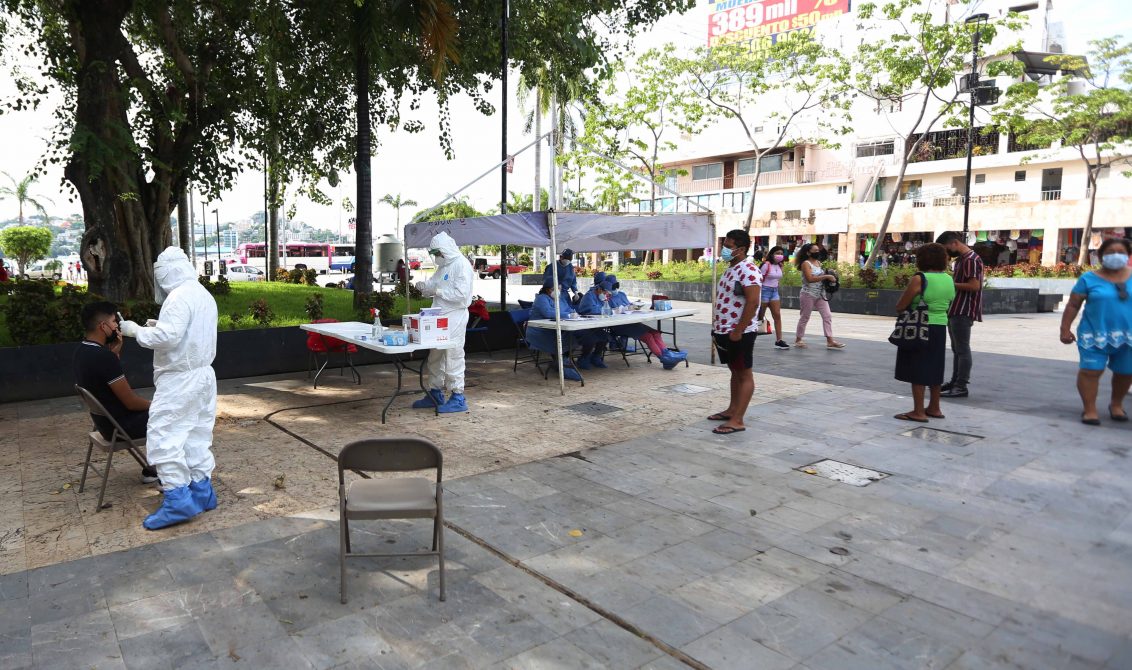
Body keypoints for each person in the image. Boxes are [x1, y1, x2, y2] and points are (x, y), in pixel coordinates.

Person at [119, 247, 218, 530]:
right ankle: (203, 492)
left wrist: (135, 330)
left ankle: (178, 502)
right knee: (196, 436)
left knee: (165, 437)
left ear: (166, 273)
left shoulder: (177, 297)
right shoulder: (202, 294)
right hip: (203, 376)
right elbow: (186, 332)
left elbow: (168, 337)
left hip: (180, 380)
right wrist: (155, 325)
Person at [73, 301, 159, 483]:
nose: (116, 326)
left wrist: (114, 355)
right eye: (113, 322)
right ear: (102, 326)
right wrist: (158, 406)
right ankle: (160, 471)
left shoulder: (81, 351)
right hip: (120, 428)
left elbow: (104, 380)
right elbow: (131, 402)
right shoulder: (103, 358)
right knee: (173, 415)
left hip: (103, 423)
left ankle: (155, 467)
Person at [1059, 238, 1132, 425]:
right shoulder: (1088, 279)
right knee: (1091, 371)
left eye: (1121, 252)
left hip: (1128, 337)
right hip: (1093, 335)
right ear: (1100, 256)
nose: (1116, 256)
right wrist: (1065, 329)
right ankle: (1089, 410)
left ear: (1128, 256)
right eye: (1110, 252)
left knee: (1126, 372)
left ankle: (1116, 405)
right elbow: (1073, 304)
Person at [892, 243, 956, 422]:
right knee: (935, 366)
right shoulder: (948, 279)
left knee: (917, 367)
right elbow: (949, 301)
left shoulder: (920, 278)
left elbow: (901, 305)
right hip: (940, 326)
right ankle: (935, 407)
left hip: (920, 327)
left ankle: (918, 411)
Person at [411, 232, 474, 413]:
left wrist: (438, 292)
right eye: (435, 253)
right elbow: (434, 283)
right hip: (438, 315)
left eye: (438, 253)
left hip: (455, 315)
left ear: (446, 250)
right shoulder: (444, 266)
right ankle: (435, 392)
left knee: (453, 354)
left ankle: (457, 396)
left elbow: (462, 295)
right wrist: (425, 288)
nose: (437, 257)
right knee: (436, 354)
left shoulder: (461, 265)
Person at [709, 229, 762, 435]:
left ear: (741, 249)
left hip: (739, 331)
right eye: (725, 245)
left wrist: (739, 330)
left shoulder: (748, 270)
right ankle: (732, 410)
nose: (724, 250)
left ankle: (738, 419)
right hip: (725, 329)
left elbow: (753, 301)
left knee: (744, 373)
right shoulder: (732, 268)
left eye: (728, 247)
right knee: (734, 371)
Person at [936, 231, 985, 398]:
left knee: (962, 349)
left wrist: (949, 283)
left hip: (963, 309)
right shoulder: (963, 260)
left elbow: (974, 286)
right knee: (957, 348)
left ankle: (961, 385)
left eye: (946, 248)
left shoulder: (970, 260)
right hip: (956, 308)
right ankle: (955, 381)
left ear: (955, 243)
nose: (947, 253)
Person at [605, 274, 686, 369]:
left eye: (616, 285)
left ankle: (667, 353)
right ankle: (663, 358)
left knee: (655, 333)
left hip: (632, 321)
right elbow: (609, 312)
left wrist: (635, 306)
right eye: (613, 286)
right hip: (619, 325)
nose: (615, 288)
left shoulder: (621, 294)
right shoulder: (607, 298)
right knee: (648, 336)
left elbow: (629, 305)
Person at [527, 277, 596, 381]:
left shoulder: (560, 299)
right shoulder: (541, 298)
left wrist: (573, 313)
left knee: (579, 335)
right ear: (548, 289)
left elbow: (569, 309)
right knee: (565, 338)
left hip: (557, 329)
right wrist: (568, 315)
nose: (558, 291)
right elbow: (548, 313)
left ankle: (563, 361)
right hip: (540, 331)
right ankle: (563, 363)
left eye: (559, 288)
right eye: (556, 288)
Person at [793, 243, 845, 349]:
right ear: (808, 252)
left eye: (818, 250)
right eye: (815, 251)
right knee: (805, 317)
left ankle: (830, 340)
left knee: (827, 316)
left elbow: (819, 277)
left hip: (821, 294)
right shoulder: (805, 264)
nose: (818, 252)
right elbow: (810, 279)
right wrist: (826, 276)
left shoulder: (818, 263)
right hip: (808, 294)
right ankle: (798, 339)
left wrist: (830, 276)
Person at [757, 246, 790, 350]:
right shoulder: (766, 265)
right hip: (764, 291)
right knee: (759, 316)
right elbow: (758, 279)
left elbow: (778, 278)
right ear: (772, 254)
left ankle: (779, 340)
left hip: (774, 292)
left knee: (777, 315)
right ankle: (749, 336)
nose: (779, 255)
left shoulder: (780, 265)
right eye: (777, 253)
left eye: (781, 253)